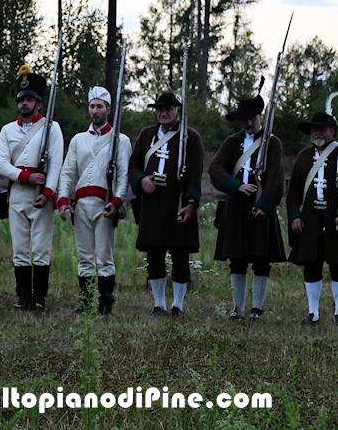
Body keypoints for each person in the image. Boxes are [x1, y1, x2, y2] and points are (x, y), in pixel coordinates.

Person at [208, 95, 285, 321]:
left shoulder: (273, 143)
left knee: (262, 259)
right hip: (236, 208)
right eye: (244, 120)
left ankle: (257, 308)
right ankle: (238, 308)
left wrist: (265, 205)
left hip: (261, 207)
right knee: (237, 259)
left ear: (259, 116)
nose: (248, 123)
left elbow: (275, 177)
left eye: (251, 118)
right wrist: (236, 185)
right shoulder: (232, 142)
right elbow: (215, 168)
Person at [128, 92, 203, 317]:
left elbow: (195, 173)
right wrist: (141, 180)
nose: (164, 112)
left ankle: (177, 304)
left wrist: (190, 202)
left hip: (176, 202)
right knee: (154, 256)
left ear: (178, 111)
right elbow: (133, 165)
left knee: (180, 257)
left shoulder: (190, 137)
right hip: (152, 204)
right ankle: (159, 303)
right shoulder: (145, 136)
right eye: (160, 108)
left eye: (169, 108)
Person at [57, 86, 131, 315]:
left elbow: (123, 175)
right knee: (85, 256)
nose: (95, 110)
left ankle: (106, 302)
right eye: (92, 106)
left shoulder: (121, 140)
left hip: (104, 205)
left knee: (104, 257)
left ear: (108, 109)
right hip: (81, 205)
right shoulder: (79, 140)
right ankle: (86, 301)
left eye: (100, 106)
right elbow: (67, 172)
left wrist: (117, 201)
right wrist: (62, 198)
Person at [0, 66, 64, 312]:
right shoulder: (7, 130)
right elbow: (1, 164)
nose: (25, 103)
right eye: (22, 99)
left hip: (41, 198)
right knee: (20, 250)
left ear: (38, 103)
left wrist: (48, 192)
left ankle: (39, 299)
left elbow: (56, 164)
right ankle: (23, 298)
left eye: (29, 99)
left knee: (41, 249)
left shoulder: (51, 128)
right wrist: (26, 176)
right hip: (18, 195)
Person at [286, 112, 338, 327]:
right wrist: (295, 216)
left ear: (332, 131)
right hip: (310, 218)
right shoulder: (302, 157)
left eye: (322, 128)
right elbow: (293, 193)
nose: (317, 132)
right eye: (314, 128)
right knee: (312, 265)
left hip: (335, 218)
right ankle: (313, 313)